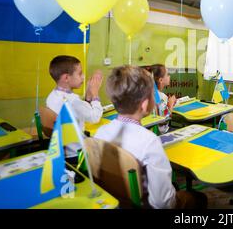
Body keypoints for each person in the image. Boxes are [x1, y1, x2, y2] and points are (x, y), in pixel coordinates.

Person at [95, 65, 207, 209]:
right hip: (143, 204)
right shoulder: (149, 142)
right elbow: (163, 202)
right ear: (145, 104)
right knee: (198, 198)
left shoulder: (100, 133)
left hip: (114, 201)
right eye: (152, 94)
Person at [46, 55, 103, 165]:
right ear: (66, 78)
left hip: (61, 151)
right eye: (80, 73)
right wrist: (95, 93)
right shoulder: (73, 101)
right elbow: (95, 117)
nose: (83, 77)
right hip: (77, 154)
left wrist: (88, 93)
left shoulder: (52, 96)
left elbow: (80, 109)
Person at [144, 64, 176, 134]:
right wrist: (170, 104)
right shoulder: (161, 97)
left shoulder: (148, 94)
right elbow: (164, 120)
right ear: (161, 80)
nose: (169, 76)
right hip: (161, 132)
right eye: (167, 74)